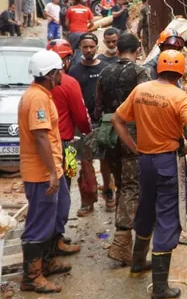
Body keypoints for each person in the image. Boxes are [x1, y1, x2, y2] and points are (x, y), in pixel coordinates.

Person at [112, 50, 187, 298]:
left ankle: (138, 261)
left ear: (158, 69)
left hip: (145, 161)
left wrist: (133, 146)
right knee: (168, 215)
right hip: (168, 162)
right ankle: (160, 288)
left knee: (146, 208)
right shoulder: (179, 96)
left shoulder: (141, 90)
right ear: (180, 72)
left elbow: (117, 120)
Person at [18, 51, 73, 293]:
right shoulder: (37, 99)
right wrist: (51, 172)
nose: (62, 73)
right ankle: (32, 277)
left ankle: (46, 263)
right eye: (59, 70)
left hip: (50, 170)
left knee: (54, 215)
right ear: (51, 74)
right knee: (39, 223)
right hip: (41, 173)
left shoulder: (42, 95)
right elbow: (40, 136)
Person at [95, 33, 151, 265]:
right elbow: (146, 107)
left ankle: (124, 240)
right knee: (131, 186)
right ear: (137, 50)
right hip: (131, 133)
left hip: (108, 133)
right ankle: (121, 239)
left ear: (117, 49)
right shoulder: (141, 73)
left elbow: (97, 106)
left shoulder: (104, 71)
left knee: (121, 184)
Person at [47, 39, 92, 223]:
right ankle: (57, 233)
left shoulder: (35, 85)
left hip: (43, 144)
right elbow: (81, 117)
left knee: (47, 186)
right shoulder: (69, 82)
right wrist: (87, 131)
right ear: (65, 61)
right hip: (68, 144)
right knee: (67, 184)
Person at [68, 33, 114, 214]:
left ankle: (108, 192)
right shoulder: (74, 71)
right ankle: (88, 200)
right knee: (85, 162)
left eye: (91, 47)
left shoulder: (106, 68)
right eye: (85, 47)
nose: (88, 50)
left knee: (106, 160)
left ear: (97, 47)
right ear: (80, 49)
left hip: (102, 122)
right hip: (81, 123)